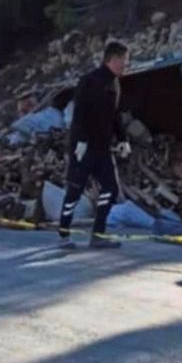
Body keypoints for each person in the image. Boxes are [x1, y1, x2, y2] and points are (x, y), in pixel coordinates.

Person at [58, 41, 133, 250]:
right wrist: (80, 140)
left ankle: (98, 234)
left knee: (111, 188)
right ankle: (64, 234)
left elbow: (115, 115)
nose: (126, 65)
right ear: (113, 59)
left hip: (103, 148)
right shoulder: (89, 81)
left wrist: (123, 139)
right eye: (124, 61)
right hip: (83, 147)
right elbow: (79, 112)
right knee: (75, 189)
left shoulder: (115, 84)